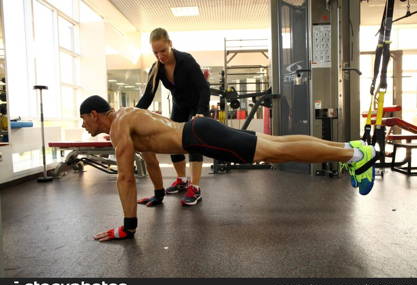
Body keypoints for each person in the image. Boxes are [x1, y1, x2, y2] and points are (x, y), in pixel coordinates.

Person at [80, 95, 376, 242]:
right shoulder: (127, 117)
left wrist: (128, 228)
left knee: (278, 151)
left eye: (84, 119)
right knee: (277, 145)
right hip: (200, 131)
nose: (84, 126)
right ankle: (349, 147)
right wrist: (158, 194)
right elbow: (151, 159)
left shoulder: (119, 124)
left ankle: (353, 155)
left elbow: (125, 177)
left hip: (200, 136)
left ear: (95, 114)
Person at [135, 28, 210, 207]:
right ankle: (182, 180)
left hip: (196, 105)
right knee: (173, 141)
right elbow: (147, 96)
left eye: (163, 50)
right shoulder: (157, 68)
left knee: (193, 139)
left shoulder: (186, 60)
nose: (160, 55)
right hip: (179, 106)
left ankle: (195, 187)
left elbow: (203, 88)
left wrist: (200, 112)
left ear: (170, 44)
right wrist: (131, 116)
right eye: (155, 52)